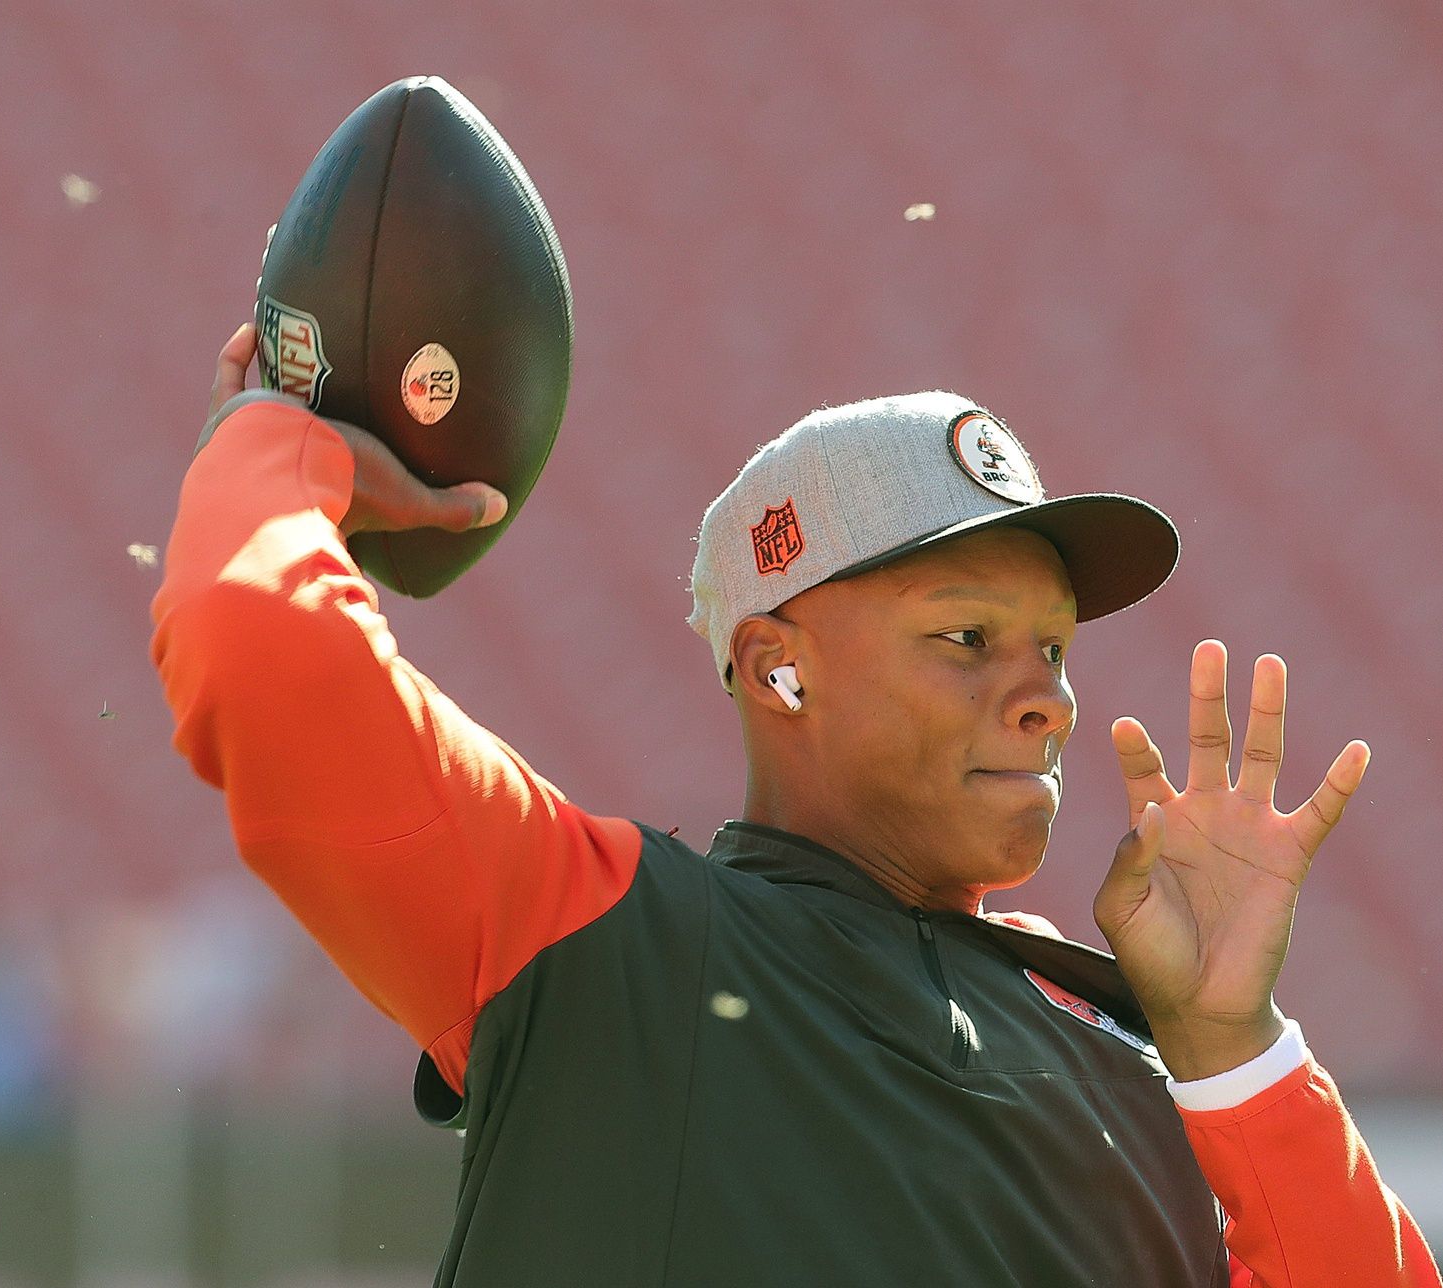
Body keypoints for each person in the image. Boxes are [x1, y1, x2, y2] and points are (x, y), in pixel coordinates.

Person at [151, 323, 1441, 1286]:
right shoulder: (617, 946)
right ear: (778, 664)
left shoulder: (1139, 1048)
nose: (1045, 696)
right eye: (967, 637)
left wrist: (1234, 1046)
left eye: (1052, 646)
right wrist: (279, 442)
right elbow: (261, 655)